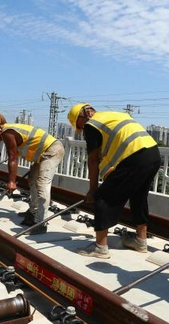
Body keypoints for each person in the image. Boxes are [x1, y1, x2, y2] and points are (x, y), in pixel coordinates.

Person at [67, 103, 161, 258]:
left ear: (84, 115)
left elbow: (92, 160)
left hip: (134, 158)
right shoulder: (115, 116)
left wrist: (93, 189)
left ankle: (100, 248)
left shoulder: (92, 125)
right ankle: (140, 241)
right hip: (153, 155)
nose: (83, 129)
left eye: (80, 125)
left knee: (103, 197)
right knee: (139, 196)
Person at [0, 120, 65, 235]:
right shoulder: (7, 130)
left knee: (42, 183)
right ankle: (33, 211)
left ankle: (41, 223)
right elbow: (14, 155)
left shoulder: (7, 133)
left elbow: (13, 158)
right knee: (32, 179)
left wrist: (12, 181)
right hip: (44, 153)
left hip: (52, 150)